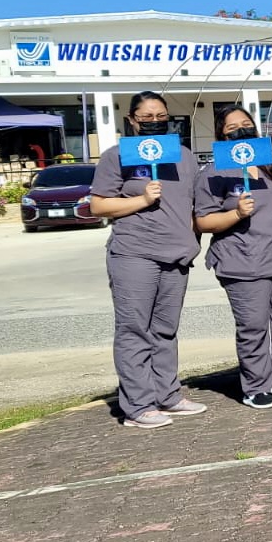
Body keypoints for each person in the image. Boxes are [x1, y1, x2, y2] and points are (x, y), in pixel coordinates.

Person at [89, 91, 206, 429]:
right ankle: (138, 405)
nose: (155, 121)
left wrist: (191, 243)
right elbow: (98, 206)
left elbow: (192, 206)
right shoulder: (116, 157)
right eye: (147, 116)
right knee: (134, 329)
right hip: (135, 253)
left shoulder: (183, 157)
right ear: (132, 120)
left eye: (160, 115)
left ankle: (167, 395)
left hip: (176, 255)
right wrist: (141, 199)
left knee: (165, 331)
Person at [195, 106, 272, 409]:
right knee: (254, 327)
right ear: (221, 135)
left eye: (246, 124)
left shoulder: (271, 166)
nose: (240, 130)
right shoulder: (213, 173)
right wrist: (235, 213)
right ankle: (256, 386)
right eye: (232, 127)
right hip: (242, 262)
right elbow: (203, 222)